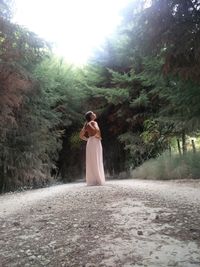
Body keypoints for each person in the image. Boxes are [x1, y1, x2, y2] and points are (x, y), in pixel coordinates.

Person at [79, 111, 105, 186]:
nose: (95, 114)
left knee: (91, 160)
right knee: (97, 159)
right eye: (93, 113)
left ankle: (92, 180)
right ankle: (99, 180)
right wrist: (98, 135)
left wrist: (87, 139)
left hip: (90, 142)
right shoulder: (94, 122)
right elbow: (97, 130)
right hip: (96, 141)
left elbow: (80, 135)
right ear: (91, 116)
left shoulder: (86, 124)